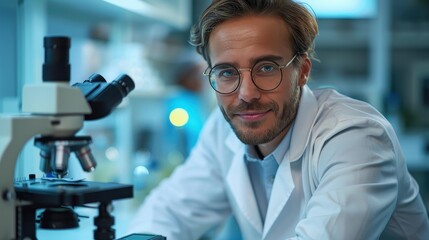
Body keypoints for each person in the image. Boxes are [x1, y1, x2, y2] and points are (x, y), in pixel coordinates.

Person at [127, 0, 429, 239]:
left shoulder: (356, 137)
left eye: (266, 68)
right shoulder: (223, 130)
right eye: (227, 72)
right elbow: (170, 212)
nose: (246, 94)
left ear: (303, 70)